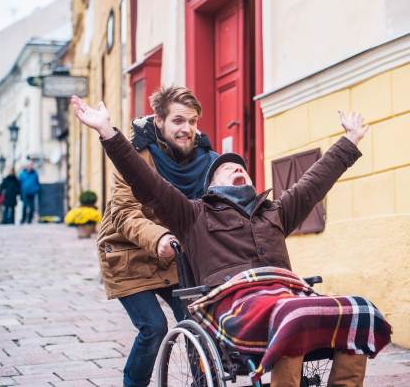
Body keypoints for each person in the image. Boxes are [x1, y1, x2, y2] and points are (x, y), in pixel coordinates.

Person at [72, 94, 392, 387]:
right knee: (291, 315)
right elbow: (147, 183)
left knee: (360, 309)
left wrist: (350, 140)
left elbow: (314, 182)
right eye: (227, 168)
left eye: (242, 168)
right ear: (211, 185)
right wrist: (107, 132)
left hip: (284, 294)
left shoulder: (275, 211)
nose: (237, 169)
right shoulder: (193, 214)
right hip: (236, 303)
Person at [94, 85, 218, 387]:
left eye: (192, 121)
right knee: (154, 328)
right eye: (178, 120)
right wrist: (159, 236)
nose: (186, 129)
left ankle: (204, 383)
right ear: (159, 122)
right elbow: (123, 213)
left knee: (197, 321)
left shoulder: (205, 160)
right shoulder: (133, 156)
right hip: (128, 252)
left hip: (174, 254)